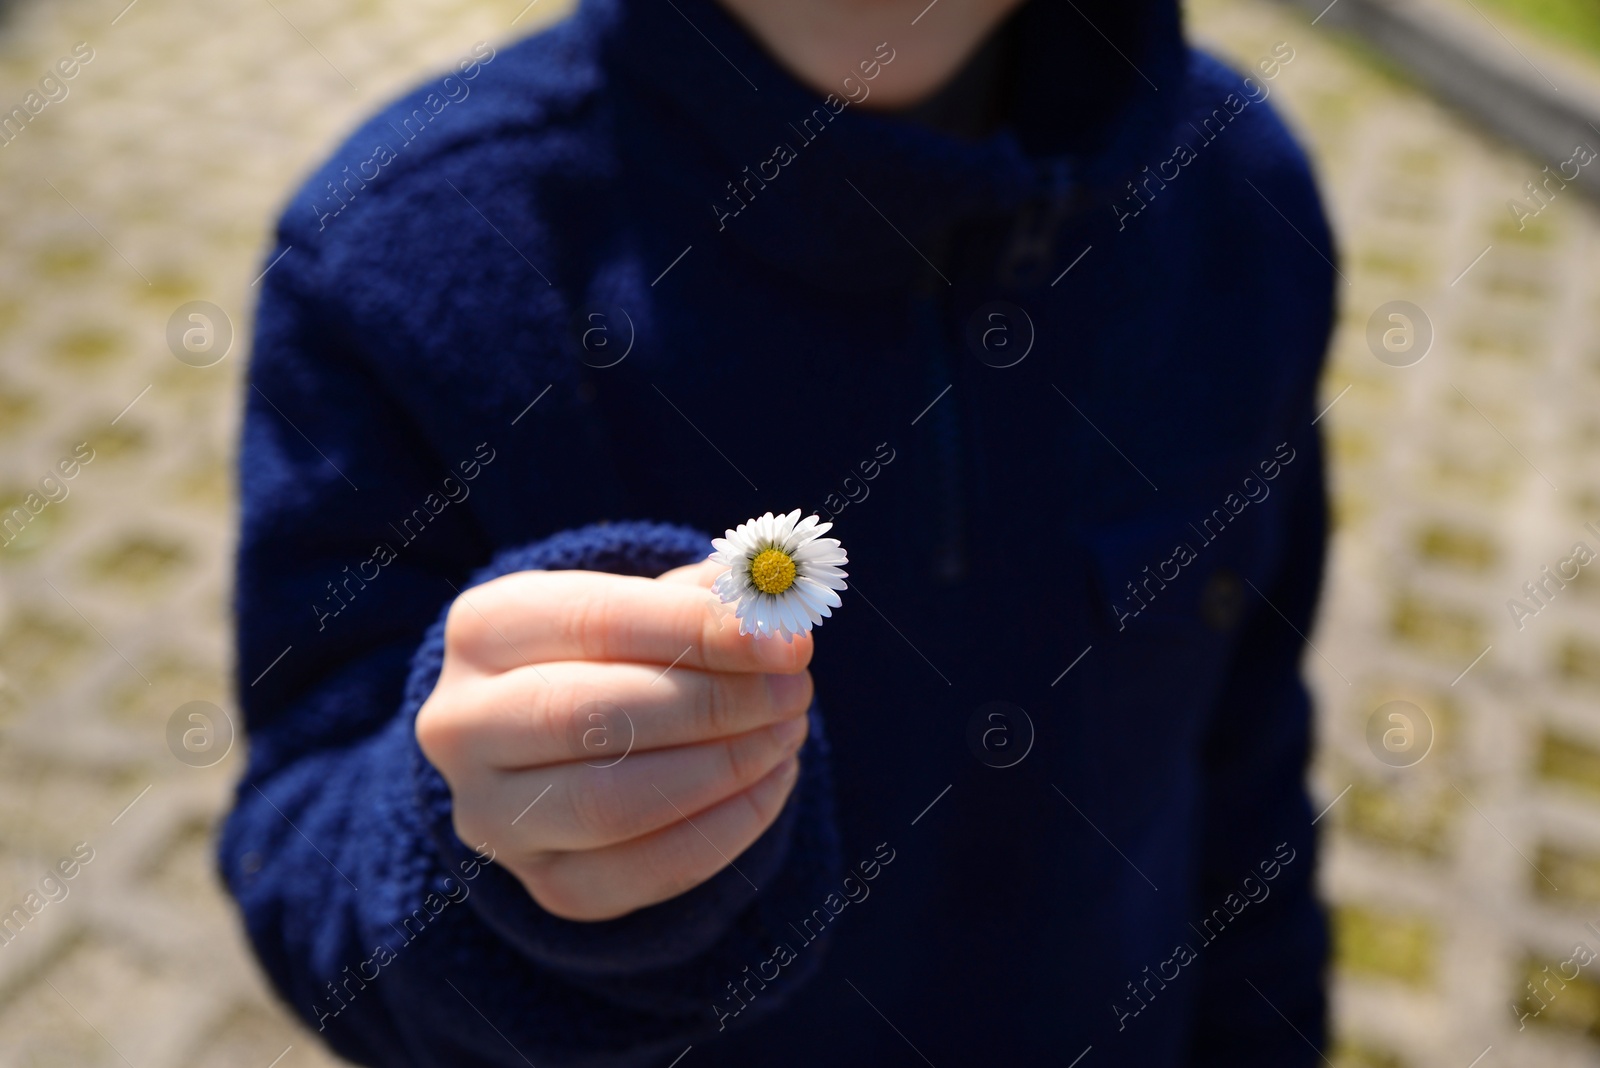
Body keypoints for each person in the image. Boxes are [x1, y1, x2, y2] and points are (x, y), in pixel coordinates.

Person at [222, 0, 1336, 1063]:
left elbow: (1251, 751)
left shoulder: (1244, 208)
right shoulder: (387, 267)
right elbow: (300, 851)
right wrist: (475, 856)